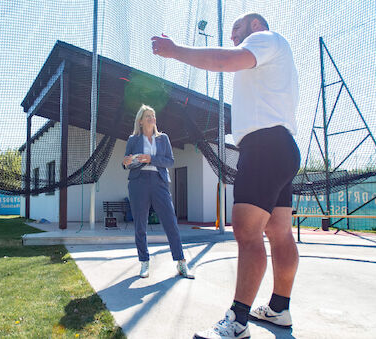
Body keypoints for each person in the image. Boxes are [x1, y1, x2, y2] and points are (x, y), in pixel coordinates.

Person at [152, 12, 300, 339]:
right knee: (279, 231)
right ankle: (279, 308)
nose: (232, 35)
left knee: (248, 233)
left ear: (256, 26)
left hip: (263, 147)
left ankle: (237, 321)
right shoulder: (277, 57)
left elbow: (222, 59)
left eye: (237, 29)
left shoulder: (264, 39)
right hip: (283, 147)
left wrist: (175, 50)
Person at [122, 104, 194, 280]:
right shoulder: (133, 139)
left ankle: (181, 262)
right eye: (148, 116)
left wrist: (151, 159)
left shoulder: (163, 139)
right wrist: (127, 161)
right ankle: (144, 262)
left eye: (153, 115)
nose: (152, 118)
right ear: (140, 121)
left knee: (171, 222)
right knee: (140, 224)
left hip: (159, 182)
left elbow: (170, 162)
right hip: (138, 182)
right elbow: (126, 163)